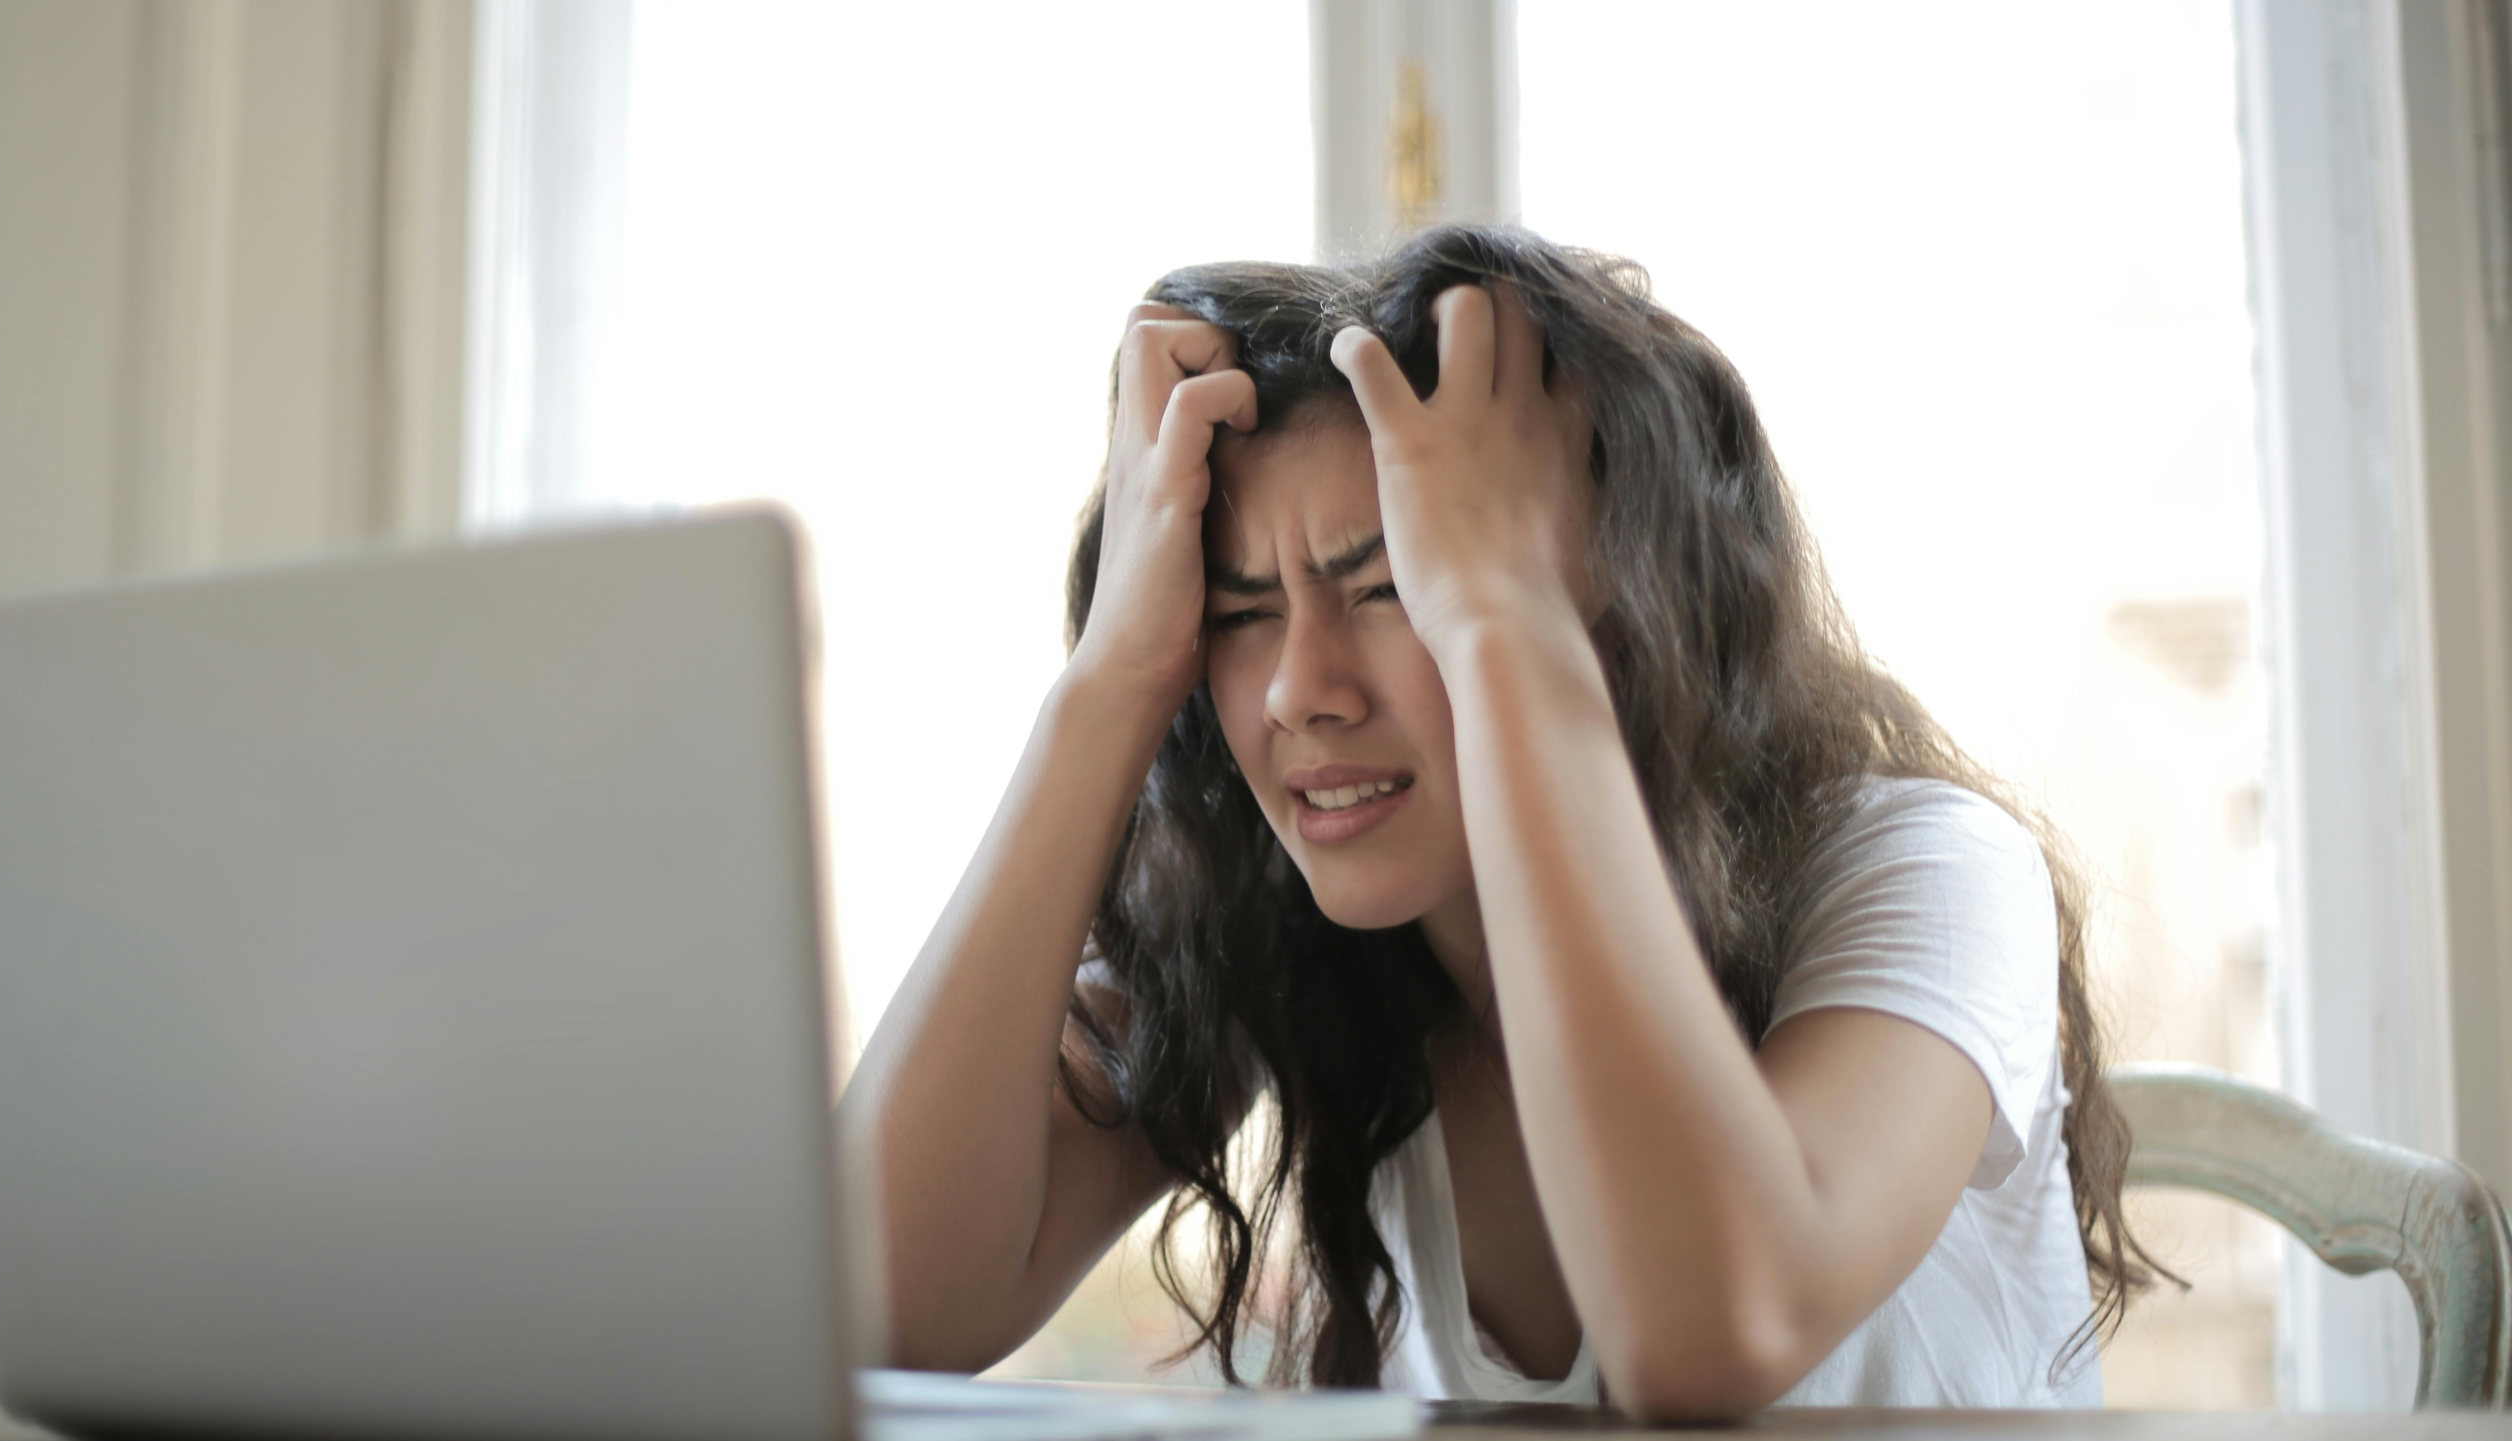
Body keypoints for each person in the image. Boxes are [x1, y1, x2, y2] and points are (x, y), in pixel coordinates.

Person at [837, 224, 2163, 1420]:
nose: (1300, 690)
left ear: (1615, 599)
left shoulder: (1927, 871)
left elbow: (1710, 1335)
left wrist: (1507, 631)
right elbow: (880, 1307)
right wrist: (1110, 680)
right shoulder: (1300, 932)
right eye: (1239, 615)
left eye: (1397, 586)